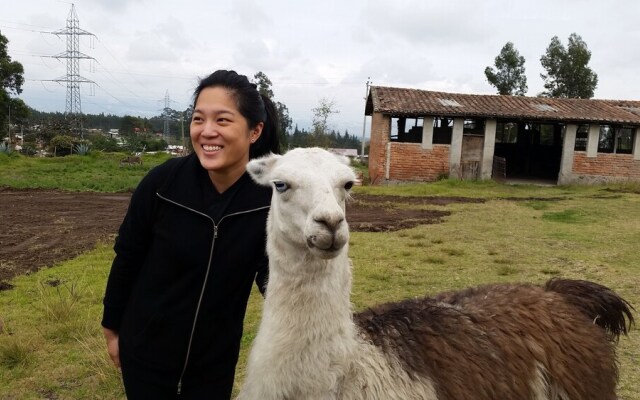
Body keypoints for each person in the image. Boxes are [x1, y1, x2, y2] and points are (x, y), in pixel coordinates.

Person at [101, 69, 280, 399]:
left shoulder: (268, 203)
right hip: (145, 354)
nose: (206, 131)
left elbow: (274, 278)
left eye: (222, 120)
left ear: (254, 131)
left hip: (214, 365)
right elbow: (128, 256)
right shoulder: (162, 184)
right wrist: (112, 328)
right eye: (198, 119)